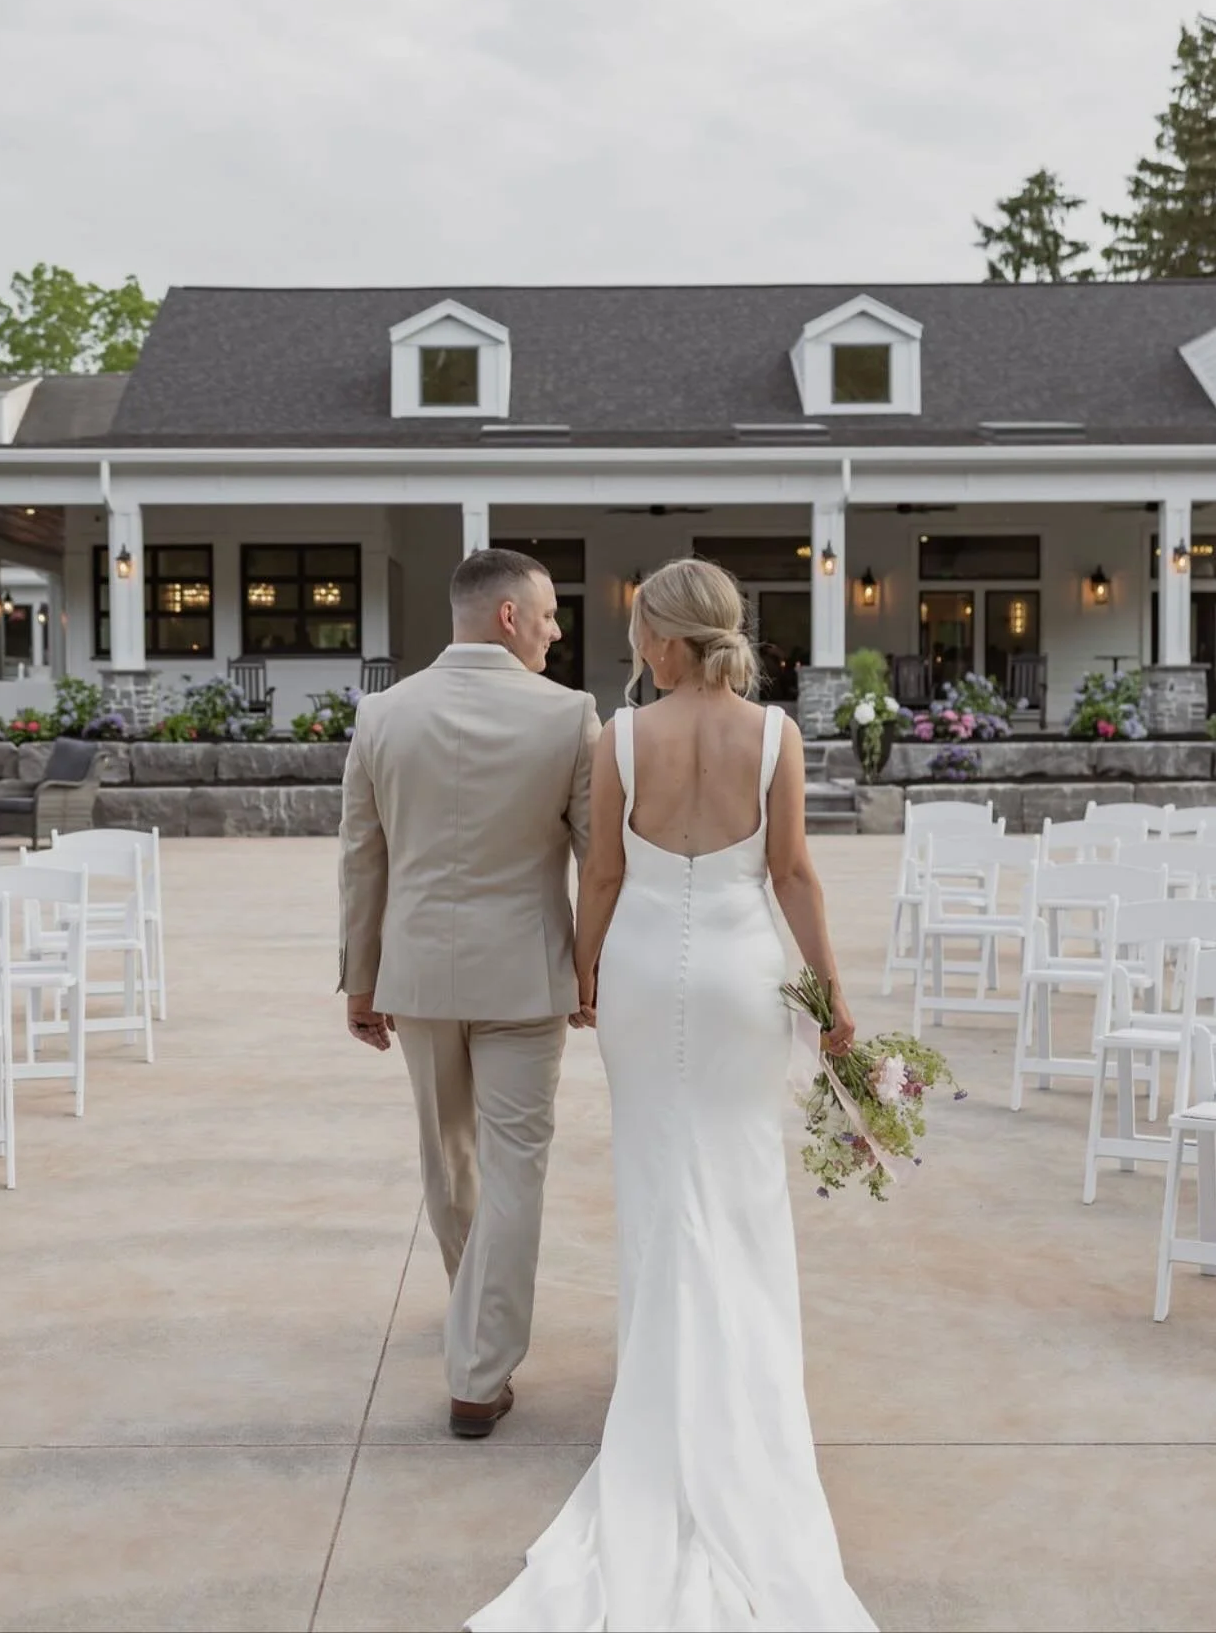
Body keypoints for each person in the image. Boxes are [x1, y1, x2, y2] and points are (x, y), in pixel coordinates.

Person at [468, 557, 875, 1632]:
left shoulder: (622, 736)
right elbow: (793, 872)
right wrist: (833, 1003)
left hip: (649, 972)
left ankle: (660, 1385)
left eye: (639, 628)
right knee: (739, 1187)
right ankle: (739, 1392)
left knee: (658, 1181)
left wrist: (587, 969)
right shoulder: (777, 736)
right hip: (743, 977)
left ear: (663, 640)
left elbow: (599, 873)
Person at [339, 547, 600, 1439]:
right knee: (515, 1164)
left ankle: (473, 1316)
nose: (557, 632)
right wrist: (592, 968)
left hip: (416, 976)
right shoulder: (570, 717)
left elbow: (360, 858)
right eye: (551, 615)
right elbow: (598, 863)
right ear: (508, 618)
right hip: (525, 977)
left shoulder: (381, 713)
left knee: (448, 1157)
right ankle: (479, 1372)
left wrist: (360, 979)